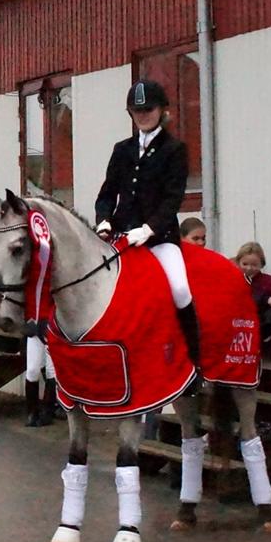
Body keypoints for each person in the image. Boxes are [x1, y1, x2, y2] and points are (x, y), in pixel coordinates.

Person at [95, 79, 201, 385]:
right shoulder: (122, 149)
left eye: (148, 110)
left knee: (180, 289)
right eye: (136, 110)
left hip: (159, 237)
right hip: (120, 234)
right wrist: (104, 220)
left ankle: (194, 364)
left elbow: (173, 196)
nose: (142, 115)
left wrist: (150, 228)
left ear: (161, 110)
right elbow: (107, 192)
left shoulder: (174, 149)